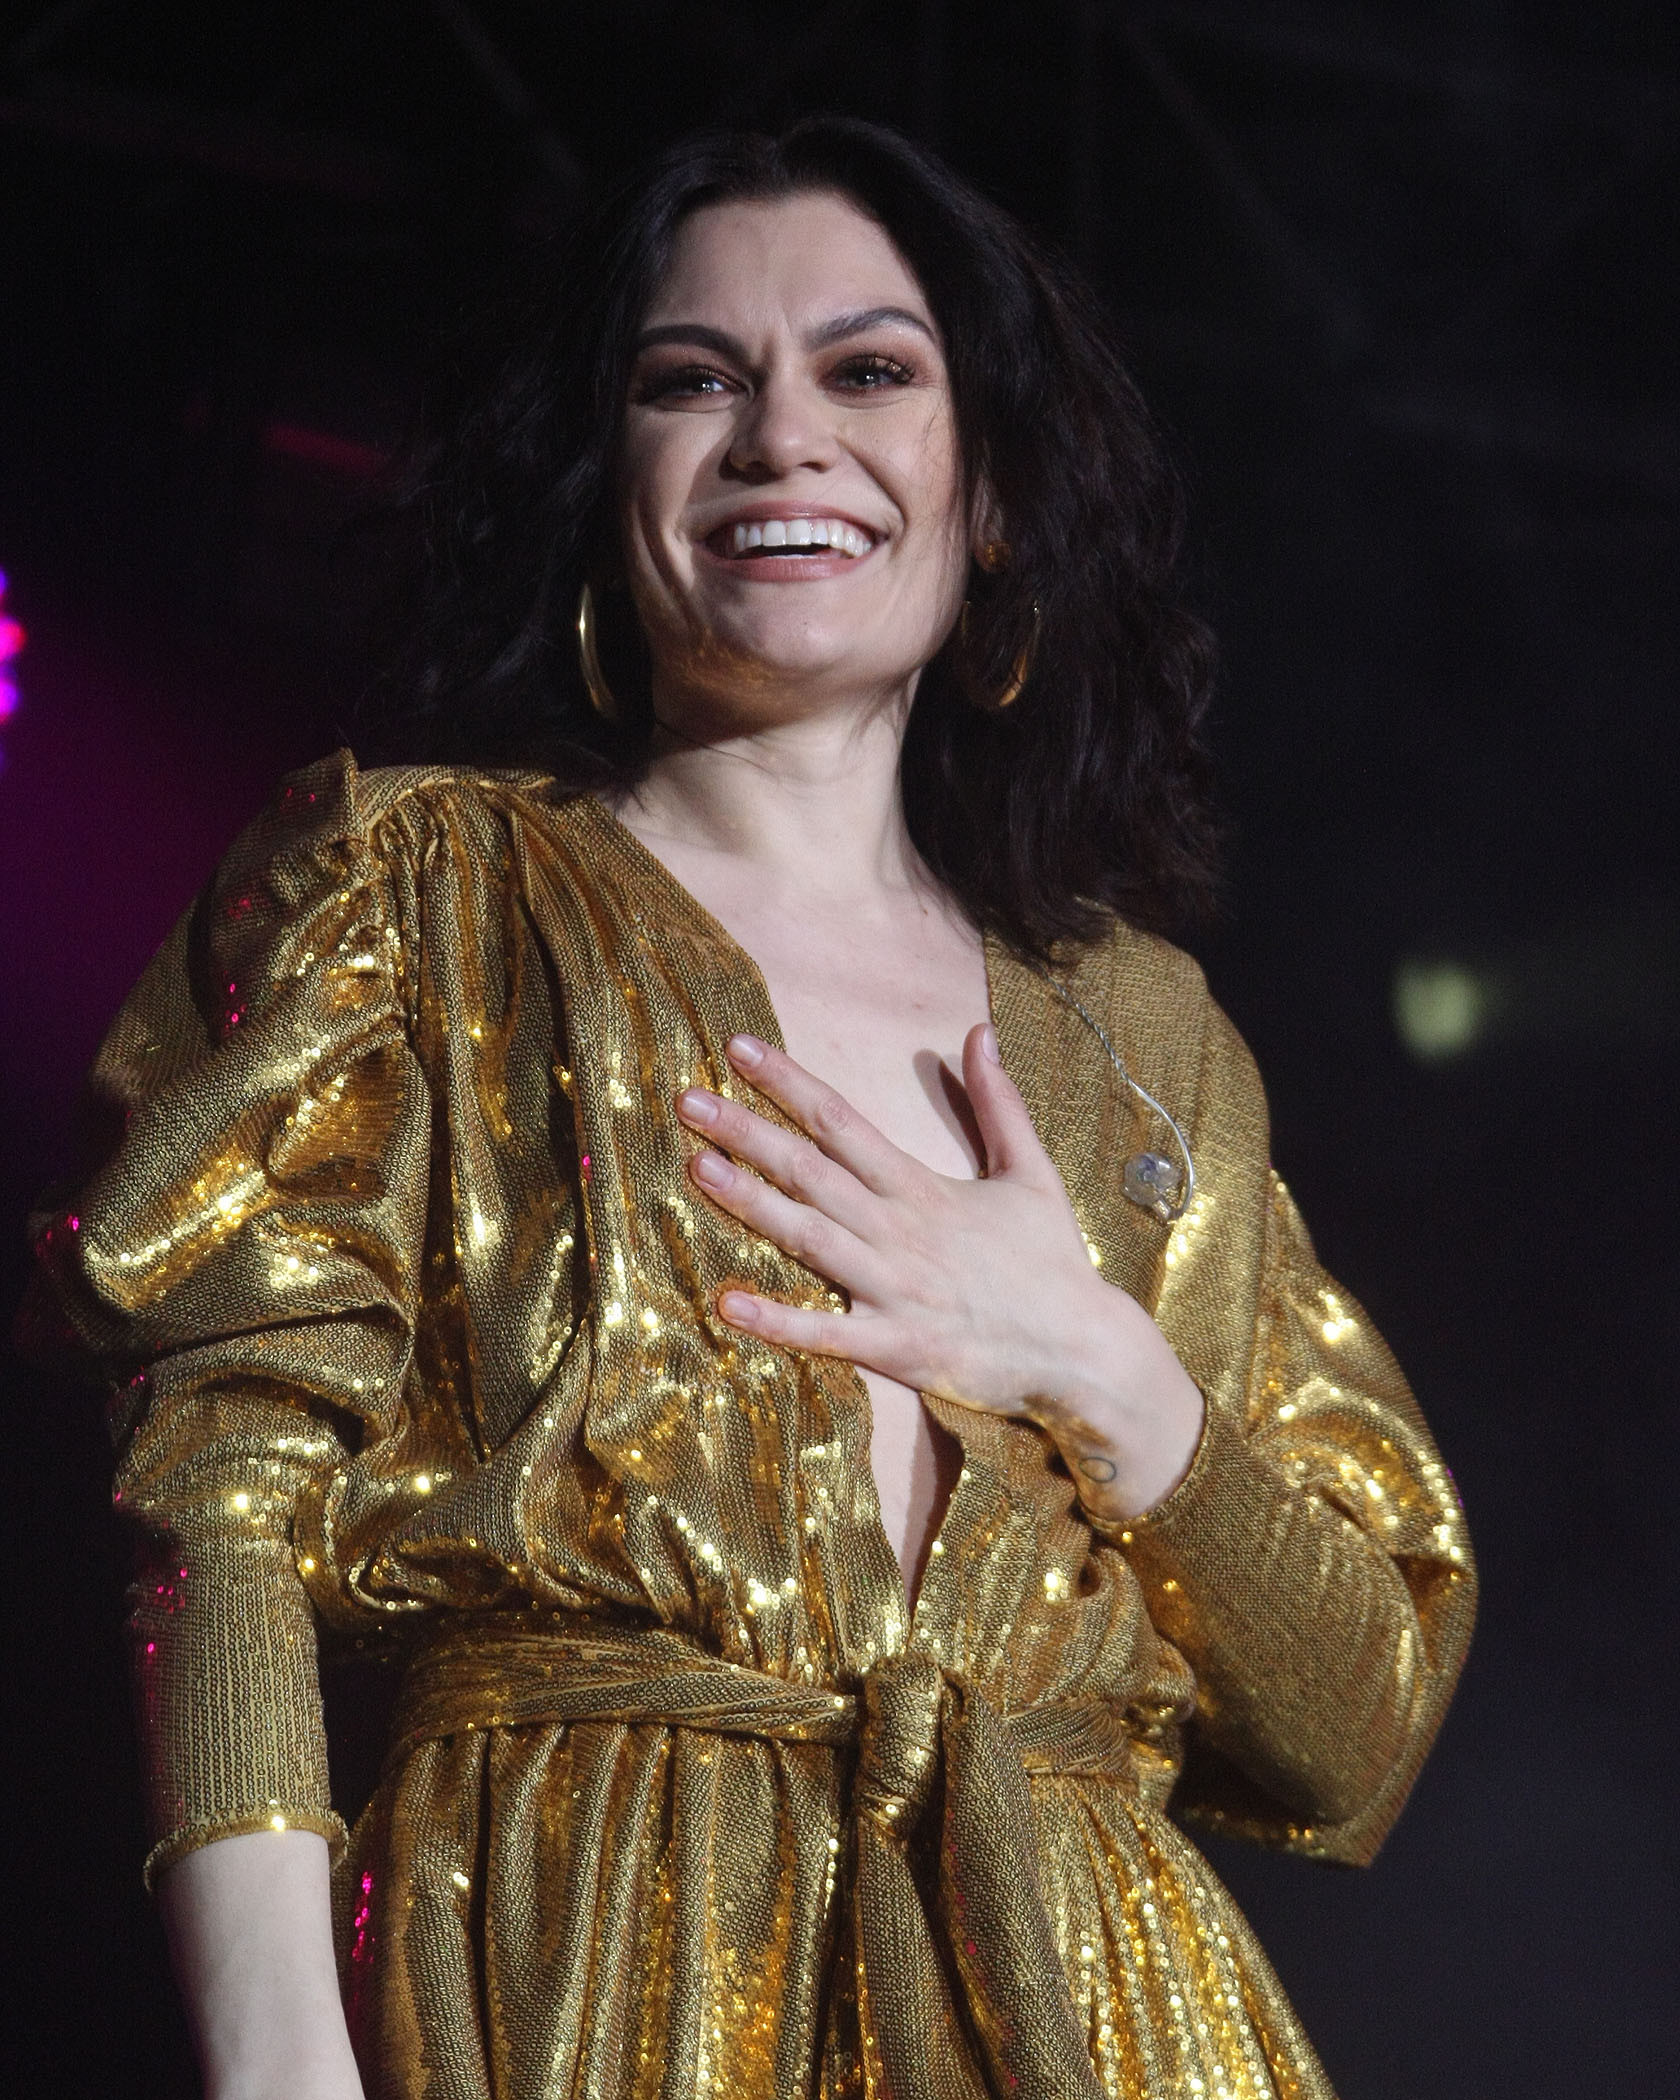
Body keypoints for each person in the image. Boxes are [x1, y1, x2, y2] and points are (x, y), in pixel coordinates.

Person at [28, 118, 1475, 2100]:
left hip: (1092, 2015)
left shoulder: (1144, 1037)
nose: (783, 435)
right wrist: (284, 2073)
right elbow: (222, 1516)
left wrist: (1098, 1364)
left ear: (994, 494)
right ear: (605, 480)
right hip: (579, 1968)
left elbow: (1357, 1728)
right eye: (693, 381)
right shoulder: (416, 899)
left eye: (870, 371)